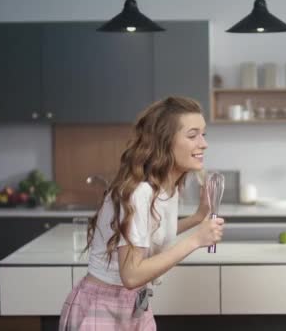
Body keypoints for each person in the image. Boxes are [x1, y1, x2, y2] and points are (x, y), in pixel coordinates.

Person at [59, 96, 224, 330]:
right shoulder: (140, 192)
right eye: (192, 135)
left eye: (203, 134)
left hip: (135, 305)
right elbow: (132, 275)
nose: (203, 143)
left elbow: (146, 235)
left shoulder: (166, 188)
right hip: (103, 308)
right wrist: (196, 240)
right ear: (164, 143)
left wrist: (198, 217)